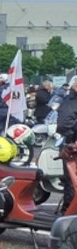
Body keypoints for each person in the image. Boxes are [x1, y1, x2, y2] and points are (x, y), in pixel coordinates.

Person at [55, 75, 77, 212]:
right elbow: (64, 125)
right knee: (72, 181)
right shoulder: (71, 102)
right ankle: (68, 211)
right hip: (73, 147)